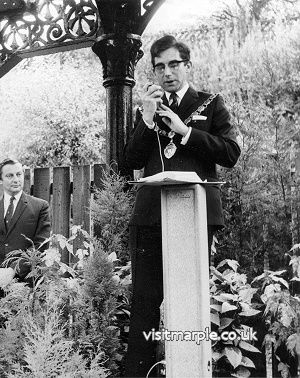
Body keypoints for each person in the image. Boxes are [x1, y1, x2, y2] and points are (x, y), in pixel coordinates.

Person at [123, 35, 241, 376]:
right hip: (149, 218)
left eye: (174, 64)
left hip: (194, 216)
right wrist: (146, 120)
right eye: (159, 67)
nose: (167, 73)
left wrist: (186, 132)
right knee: (144, 305)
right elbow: (129, 160)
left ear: (186, 65)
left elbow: (231, 153)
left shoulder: (210, 103)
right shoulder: (148, 109)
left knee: (189, 302)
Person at [0, 158, 51, 297]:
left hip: (25, 287)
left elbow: (41, 245)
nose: (16, 179)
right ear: (0, 180)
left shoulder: (40, 207)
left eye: (19, 174)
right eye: (9, 176)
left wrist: (12, 270)